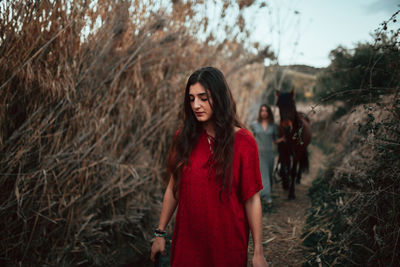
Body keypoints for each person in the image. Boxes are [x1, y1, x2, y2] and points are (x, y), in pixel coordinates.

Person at [150, 67, 269, 267]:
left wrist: (258, 252)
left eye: (203, 98)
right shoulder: (183, 137)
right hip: (187, 245)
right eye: (191, 98)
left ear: (219, 97)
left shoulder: (243, 141)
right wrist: (159, 233)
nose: (196, 105)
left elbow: (251, 199)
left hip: (227, 247)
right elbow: (173, 188)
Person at [250, 105, 284, 204]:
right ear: (260, 113)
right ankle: (266, 195)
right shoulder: (254, 124)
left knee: (269, 174)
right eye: (262, 111)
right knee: (262, 174)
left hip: (270, 153)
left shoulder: (274, 126)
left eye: (266, 111)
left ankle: (266, 192)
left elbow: (274, 140)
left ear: (269, 112)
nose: (264, 113)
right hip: (259, 153)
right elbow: (251, 139)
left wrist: (282, 139)